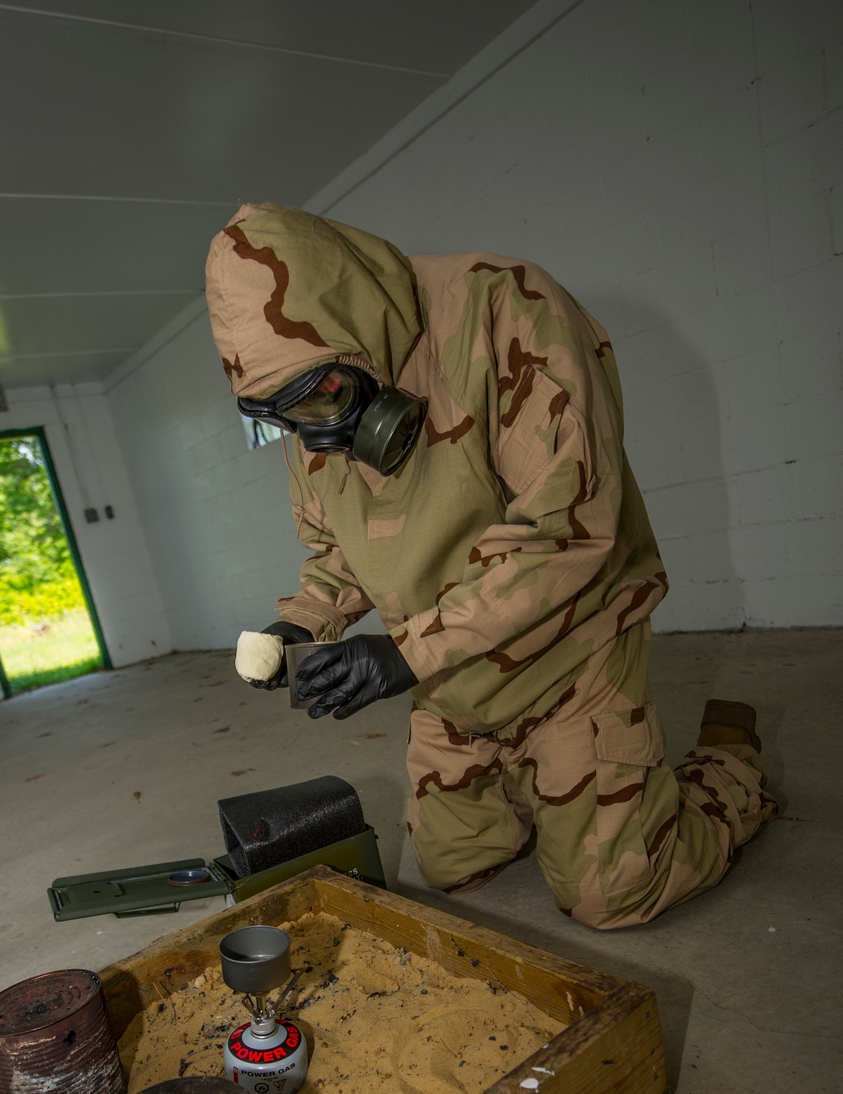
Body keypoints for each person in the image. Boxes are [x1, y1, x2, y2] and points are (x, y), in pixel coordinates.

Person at [204, 203, 777, 930]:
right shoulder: (307, 397)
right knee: (451, 872)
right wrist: (301, 620)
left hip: (567, 655)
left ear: (357, 331)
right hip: (450, 682)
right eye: (279, 418)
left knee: (615, 895)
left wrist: (406, 655)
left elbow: (565, 534)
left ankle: (730, 766)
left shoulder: (506, 308)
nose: (316, 437)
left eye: (323, 398)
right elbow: (339, 549)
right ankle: (544, 790)